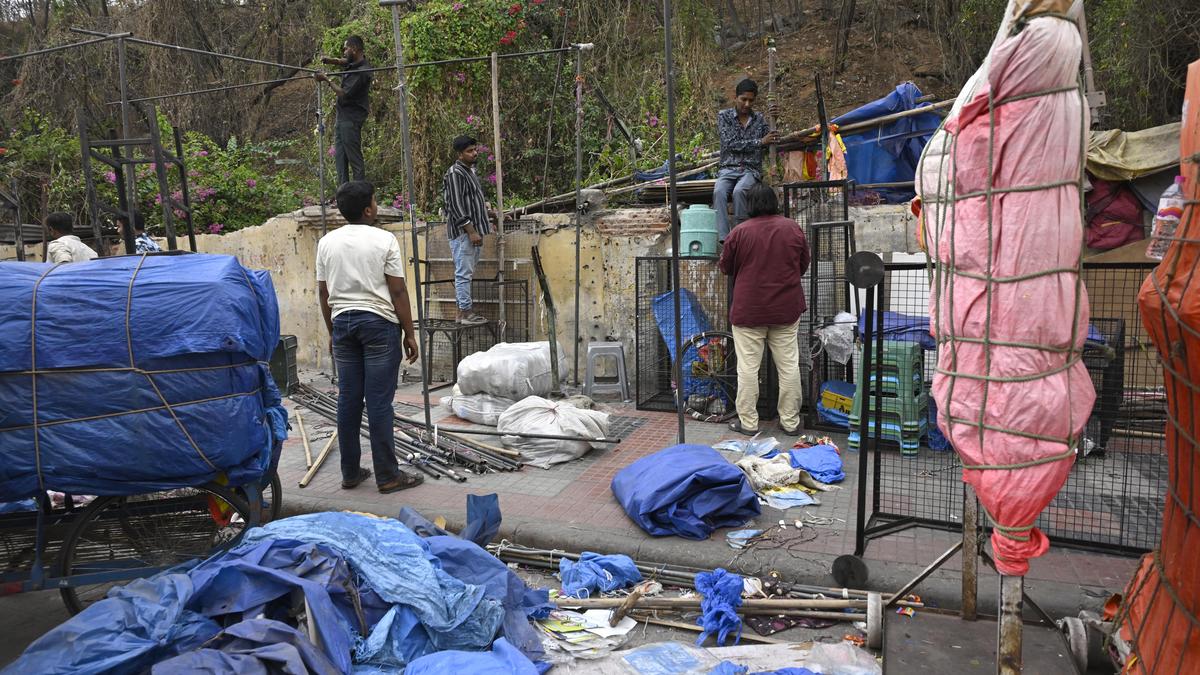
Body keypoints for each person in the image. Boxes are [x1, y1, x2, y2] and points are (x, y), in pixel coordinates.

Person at [317, 180, 423, 494]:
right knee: (379, 403)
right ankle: (388, 476)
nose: (376, 206)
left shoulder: (326, 242)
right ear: (368, 209)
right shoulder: (384, 239)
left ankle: (351, 473)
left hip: (343, 323)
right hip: (378, 325)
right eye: (375, 202)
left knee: (348, 401)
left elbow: (324, 293)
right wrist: (410, 332)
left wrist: (332, 332)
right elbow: (398, 290)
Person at [718, 182, 810, 436]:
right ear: (774, 202)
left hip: (749, 310)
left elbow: (725, 267)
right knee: (789, 365)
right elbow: (804, 263)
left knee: (748, 368)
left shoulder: (739, 232)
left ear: (749, 205)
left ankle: (748, 422)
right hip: (785, 309)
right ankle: (790, 422)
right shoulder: (792, 228)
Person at [713, 78, 779, 242]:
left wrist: (775, 119)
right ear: (735, 98)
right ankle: (723, 237)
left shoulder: (759, 119)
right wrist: (759, 142)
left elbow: (771, 137)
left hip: (750, 170)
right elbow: (731, 144)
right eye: (744, 99)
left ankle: (739, 235)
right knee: (719, 191)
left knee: (740, 191)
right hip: (728, 168)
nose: (747, 104)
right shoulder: (724, 117)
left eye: (751, 100)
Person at [442, 134, 497, 326]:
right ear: (459, 154)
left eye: (475, 150)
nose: (474, 153)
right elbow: (456, 206)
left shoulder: (469, 172)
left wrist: (492, 215)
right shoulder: (455, 173)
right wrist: (471, 231)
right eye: (469, 151)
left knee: (466, 272)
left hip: (474, 231)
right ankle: (465, 312)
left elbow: (475, 203)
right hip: (463, 233)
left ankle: (462, 313)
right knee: (463, 273)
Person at [316, 36, 373, 186]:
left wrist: (326, 79)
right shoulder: (354, 61)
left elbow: (343, 93)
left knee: (354, 158)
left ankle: (360, 194)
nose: (344, 51)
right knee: (340, 159)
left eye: (346, 48)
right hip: (342, 118)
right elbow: (344, 61)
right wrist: (329, 60)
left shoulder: (362, 72)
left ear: (354, 49)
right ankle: (344, 194)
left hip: (351, 120)